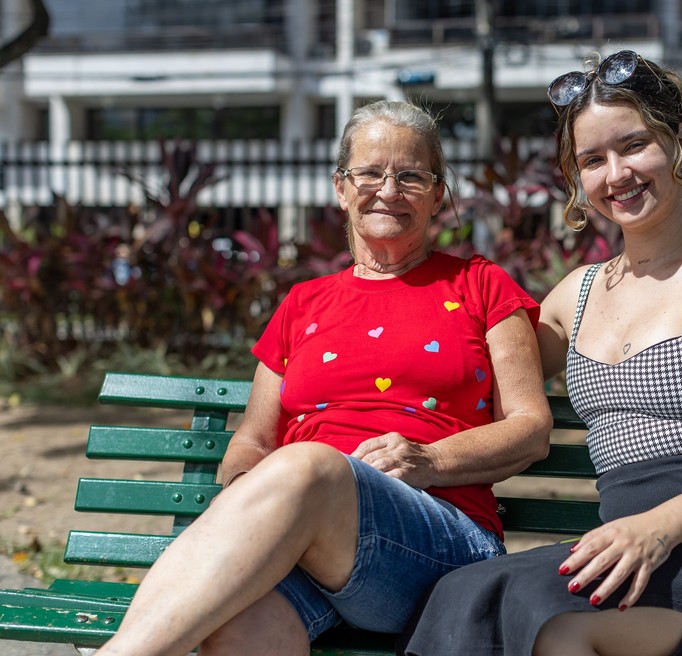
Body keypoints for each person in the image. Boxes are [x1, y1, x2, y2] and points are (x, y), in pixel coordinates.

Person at [400, 50, 682, 656]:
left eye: (634, 146)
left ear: (680, 143)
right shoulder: (575, 296)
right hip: (630, 545)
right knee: (463, 595)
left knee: (554, 623)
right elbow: (469, 374)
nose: (616, 174)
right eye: (592, 160)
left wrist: (660, 526)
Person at [95, 100, 553, 656]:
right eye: (370, 173)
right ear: (341, 188)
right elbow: (254, 442)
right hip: (301, 539)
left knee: (310, 467)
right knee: (235, 626)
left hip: (436, 543)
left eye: (411, 176)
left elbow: (530, 427)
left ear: (437, 195)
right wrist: (250, 503)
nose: (389, 190)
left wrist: (429, 460)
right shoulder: (302, 303)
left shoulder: (482, 286)